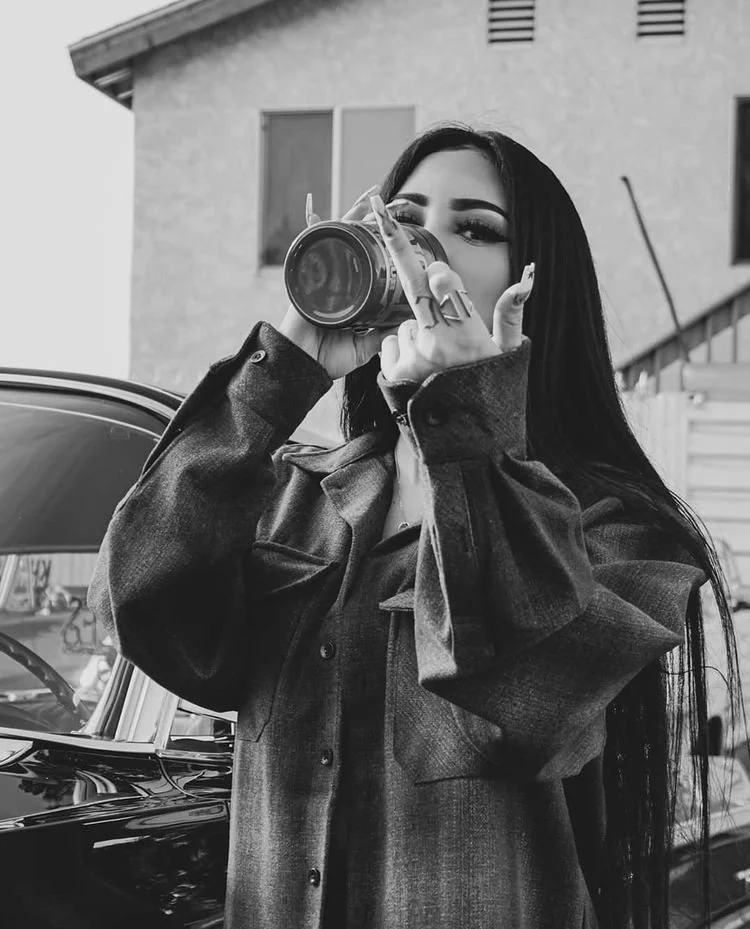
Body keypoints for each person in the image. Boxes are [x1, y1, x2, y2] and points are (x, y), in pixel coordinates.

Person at [89, 124, 741, 929]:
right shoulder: (300, 497)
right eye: (398, 217)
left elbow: (526, 702)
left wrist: (465, 419)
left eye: (474, 227)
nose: (417, 246)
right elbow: (148, 600)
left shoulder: (622, 530)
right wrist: (280, 376)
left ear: (535, 284)